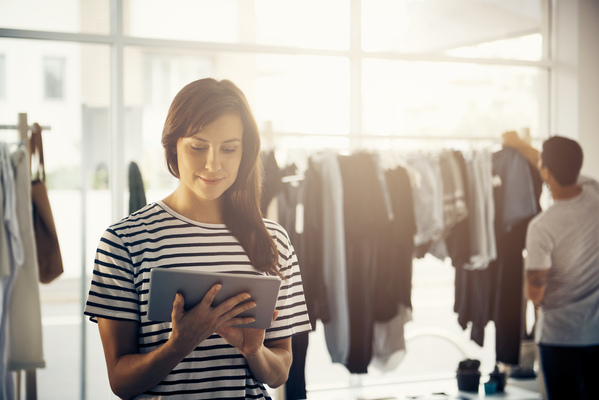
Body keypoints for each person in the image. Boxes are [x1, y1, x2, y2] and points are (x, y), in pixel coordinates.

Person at [84, 78, 311, 399]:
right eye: (197, 146)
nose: (213, 164)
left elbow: (280, 372)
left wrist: (254, 350)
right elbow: (120, 382)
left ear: (245, 153)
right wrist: (179, 345)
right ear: (173, 147)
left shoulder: (274, 240)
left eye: (229, 148)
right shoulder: (123, 242)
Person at [503, 131, 599, 400]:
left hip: (560, 338)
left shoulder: (542, 227)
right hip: (596, 332)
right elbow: (557, 164)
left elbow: (535, 293)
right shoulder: (594, 191)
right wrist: (521, 145)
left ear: (546, 172)